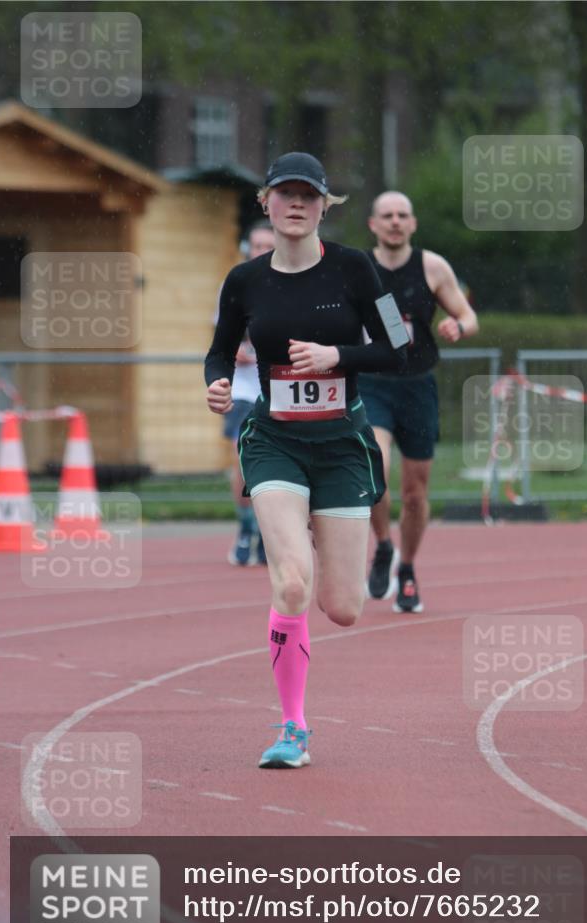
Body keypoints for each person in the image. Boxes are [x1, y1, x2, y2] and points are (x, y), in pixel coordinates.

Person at [205, 152, 404, 768]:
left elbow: (402, 346)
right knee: (291, 581)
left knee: (342, 607)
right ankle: (293, 728)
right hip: (275, 440)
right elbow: (218, 353)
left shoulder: (357, 269)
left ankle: (336, 536)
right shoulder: (244, 280)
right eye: (285, 194)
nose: (297, 204)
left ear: (325, 206)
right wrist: (214, 383)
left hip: (342, 444)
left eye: (309, 195)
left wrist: (338, 356)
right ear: (265, 201)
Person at [359, 191, 479, 613]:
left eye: (402, 215)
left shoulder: (432, 266)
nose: (395, 221)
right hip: (371, 383)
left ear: (413, 223)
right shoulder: (358, 268)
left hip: (416, 385)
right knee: (375, 471)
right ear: (373, 224)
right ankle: (383, 546)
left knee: (414, 492)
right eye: (386, 215)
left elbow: (469, 317)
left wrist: (457, 327)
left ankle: (407, 568)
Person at [216, 222, 276, 566]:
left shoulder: (291, 283)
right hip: (242, 387)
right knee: (243, 457)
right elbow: (220, 335)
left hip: (278, 386)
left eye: (267, 245)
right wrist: (235, 350)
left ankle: (269, 532)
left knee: (272, 464)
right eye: (256, 245)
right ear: (247, 249)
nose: (261, 251)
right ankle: (245, 528)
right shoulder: (235, 283)